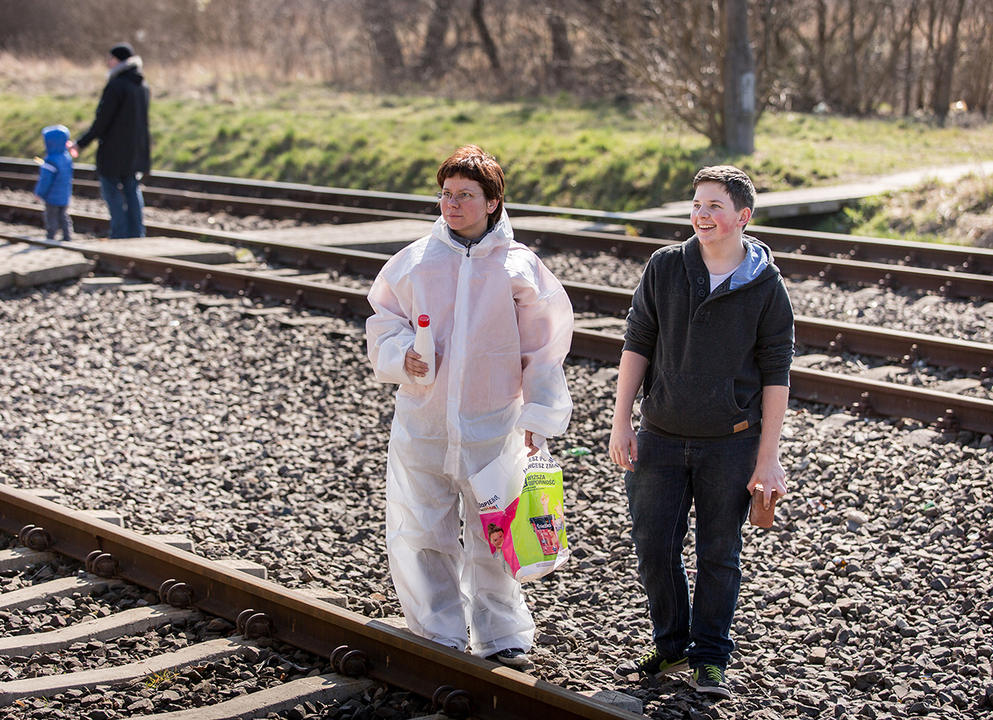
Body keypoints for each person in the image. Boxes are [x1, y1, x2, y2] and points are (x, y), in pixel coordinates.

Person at [366, 145, 573, 667]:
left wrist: (539, 415)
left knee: (495, 531)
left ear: (493, 202)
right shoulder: (415, 262)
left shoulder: (518, 268)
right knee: (424, 528)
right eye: (446, 194)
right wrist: (400, 354)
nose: (452, 204)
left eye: (464, 195)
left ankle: (501, 635)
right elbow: (383, 321)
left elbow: (545, 349)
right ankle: (439, 632)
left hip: (494, 424)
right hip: (425, 422)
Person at [608, 165, 794, 699]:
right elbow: (638, 341)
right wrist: (622, 420)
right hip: (661, 435)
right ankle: (671, 645)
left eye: (714, 206)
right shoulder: (665, 266)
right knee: (653, 547)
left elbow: (777, 373)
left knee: (719, 553)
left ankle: (710, 657)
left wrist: (768, 458)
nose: (701, 215)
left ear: (743, 216)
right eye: (696, 205)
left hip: (732, 442)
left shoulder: (766, 285)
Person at [71, 42, 151, 239]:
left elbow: (102, 121)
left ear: (119, 60)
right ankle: (137, 234)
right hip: (136, 150)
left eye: (111, 58)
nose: (108, 62)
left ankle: (119, 233)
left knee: (111, 191)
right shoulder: (142, 86)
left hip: (114, 150)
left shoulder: (116, 86)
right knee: (132, 190)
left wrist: (80, 143)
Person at [33, 124, 74, 242]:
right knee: (64, 216)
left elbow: (45, 181)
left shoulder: (50, 161)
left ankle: (50, 237)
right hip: (64, 195)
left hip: (52, 197)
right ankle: (67, 236)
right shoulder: (67, 158)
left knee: (51, 217)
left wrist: (39, 193)